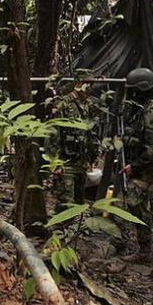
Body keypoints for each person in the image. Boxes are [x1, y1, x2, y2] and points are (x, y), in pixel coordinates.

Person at [119, 68, 153, 262]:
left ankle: (144, 250)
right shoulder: (141, 109)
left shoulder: (152, 112)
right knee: (137, 204)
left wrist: (135, 166)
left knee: (135, 203)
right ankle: (141, 246)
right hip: (139, 166)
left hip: (145, 169)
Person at [47, 80, 103, 209]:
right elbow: (52, 134)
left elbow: (92, 133)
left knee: (79, 203)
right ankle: (62, 227)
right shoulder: (64, 104)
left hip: (82, 162)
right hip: (66, 162)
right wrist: (55, 163)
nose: (89, 88)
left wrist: (94, 155)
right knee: (66, 203)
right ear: (78, 84)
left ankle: (73, 228)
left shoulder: (89, 105)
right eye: (87, 84)